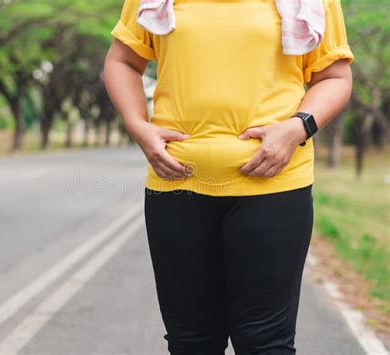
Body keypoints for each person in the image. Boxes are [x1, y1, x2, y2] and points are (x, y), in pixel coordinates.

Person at [103, 0, 354, 354]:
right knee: (191, 342)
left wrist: (299, 127)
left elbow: (335, 77)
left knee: (265, 344)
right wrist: (137, 124)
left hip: (275, 188)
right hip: (176, 187)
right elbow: (123, 61)